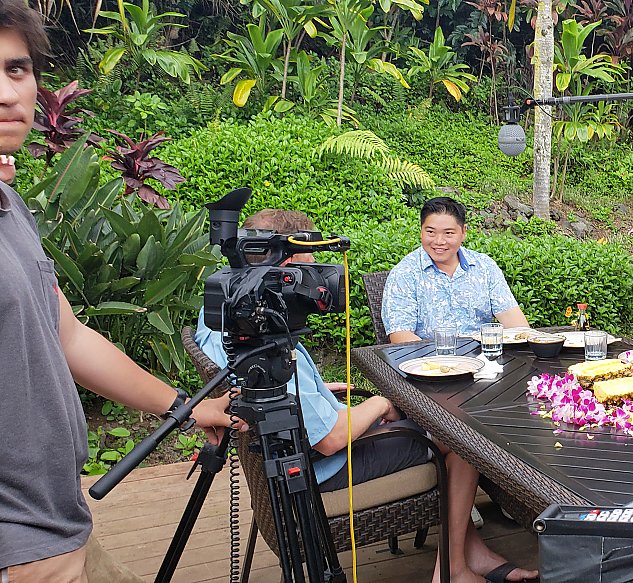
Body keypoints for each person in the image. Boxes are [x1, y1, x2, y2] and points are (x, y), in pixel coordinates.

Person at [0, 3, 231, 579]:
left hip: (58, 519)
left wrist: (183, 407)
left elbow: (69, 336)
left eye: (16, 69)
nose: (6, 93)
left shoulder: (11, 208)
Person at [196, 209, 538, 583]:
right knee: (462, 442)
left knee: (446, 430)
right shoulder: (261, 329)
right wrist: (379, 404)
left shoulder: (231, 315)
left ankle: (469, 553)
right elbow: (330, 439)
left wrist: (311, 392)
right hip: (322, 468)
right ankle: (452, 570)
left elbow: (262, 390)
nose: (315, 277)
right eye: (311, 263)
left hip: (303, 448)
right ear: (286, 261)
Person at [383, 197, 529, 343]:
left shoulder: (484, 267)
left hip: (483, 358)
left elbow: (516, 324)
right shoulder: (405, 273)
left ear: (463, 232)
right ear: (421, 231)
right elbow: (400, 336)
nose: (439, 241)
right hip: (429, 361)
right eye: (431, 232)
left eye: (448, 233)